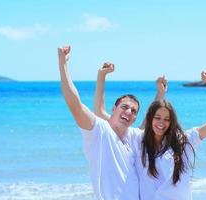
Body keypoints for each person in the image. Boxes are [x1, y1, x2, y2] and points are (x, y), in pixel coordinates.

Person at [95, 70, 206, 200]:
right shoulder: (139, 139)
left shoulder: (183, 141)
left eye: (167, 119)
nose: (161, 123)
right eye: (157, 117)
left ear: (172, 121)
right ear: (150, 119)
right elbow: (101, 114)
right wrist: (102, 76)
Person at [58, 45, 164, 200]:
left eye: (133, 111)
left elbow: (148, 122)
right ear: (114, 109)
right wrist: (63, 64)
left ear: (134, 118)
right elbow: (75, 104)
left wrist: (160, 94)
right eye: (124, 107)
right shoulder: (100, 132)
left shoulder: (133, 137)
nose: (129, 112)